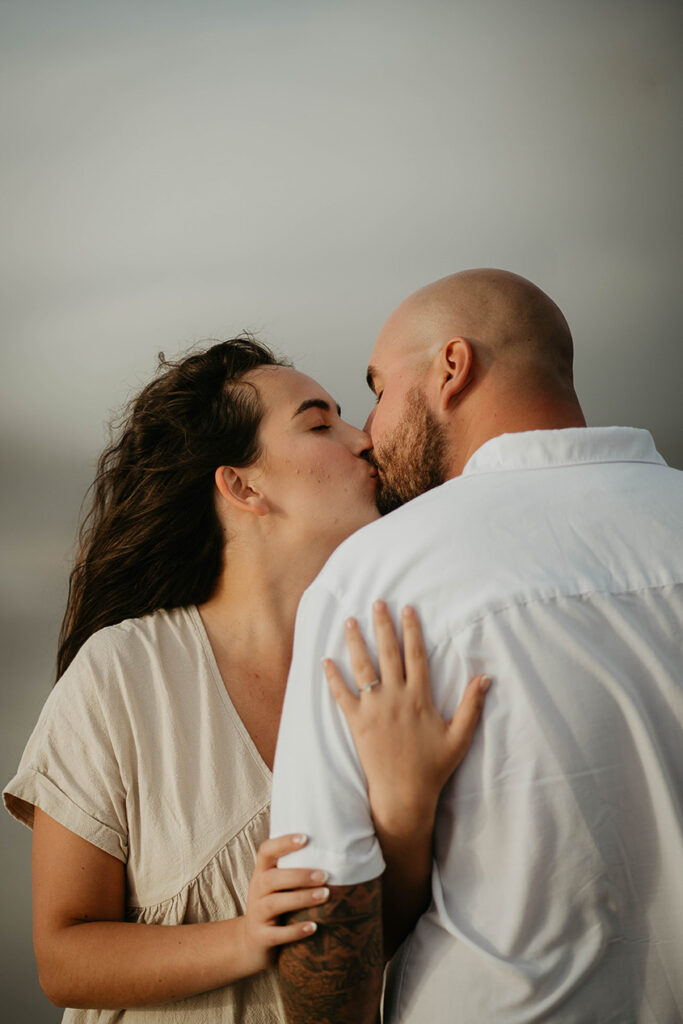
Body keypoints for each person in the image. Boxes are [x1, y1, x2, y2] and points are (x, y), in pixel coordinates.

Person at [3, 336, 487, 1023]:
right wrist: (247, 936)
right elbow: (64, 959)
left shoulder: (392, 665)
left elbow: (395, 950)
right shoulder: (122, 674)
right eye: (320, 424)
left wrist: (406, 818)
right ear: (242, 485)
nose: (364, 440)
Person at [270, 269, 683, 1023]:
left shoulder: (378, 576)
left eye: (378, 389)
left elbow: (321, 922)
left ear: (450, 369)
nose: (368, 430)